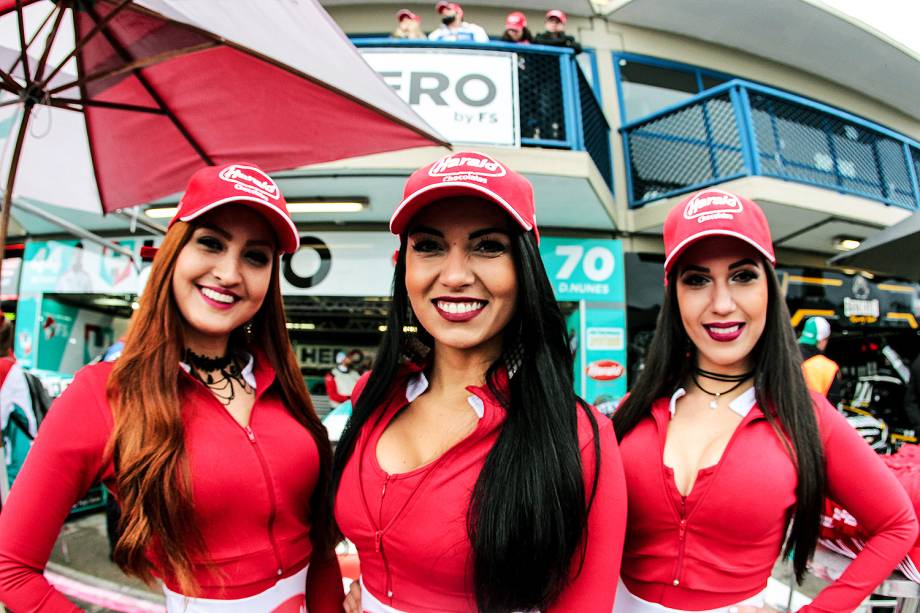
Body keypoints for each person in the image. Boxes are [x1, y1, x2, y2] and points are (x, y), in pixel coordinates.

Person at [0, 163, 343, 612]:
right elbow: (11, 568)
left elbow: (317, 544)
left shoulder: (280, 383)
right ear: (173, 254)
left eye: (255, 256)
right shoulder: (103, 395)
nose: (229, 272)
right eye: (211, 244)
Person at [334, 151, 627, 612]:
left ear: (525, 266)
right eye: (428, 246)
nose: (454, 276)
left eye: (488, 246)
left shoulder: (581, 438)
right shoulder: (374, 393)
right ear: (403, 265)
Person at [612, 188, 917, 612]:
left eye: (742, 276)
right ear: (674, 295)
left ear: (768, 289)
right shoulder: (633, 409)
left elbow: (898, 524)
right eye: (697, 279)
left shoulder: (805, 416)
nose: (722, 303)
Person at [798, 316, 842, 405]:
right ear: (822, 341)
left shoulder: (786, 356)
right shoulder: (828, 367)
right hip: (816, 417)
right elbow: (833, 402)